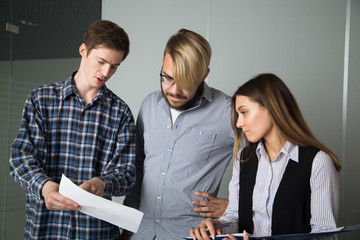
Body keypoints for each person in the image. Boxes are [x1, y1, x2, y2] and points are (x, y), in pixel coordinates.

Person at [9, 20, 136, 239]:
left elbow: (127, 174)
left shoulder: (121, 113)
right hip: (45, 230)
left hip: (96, 233)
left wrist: (103, 184)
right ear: (83, 50)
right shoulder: (41, 100)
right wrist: (45, 187)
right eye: (102, 61)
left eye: (114, 66)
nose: (106, 72)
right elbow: (20, 158)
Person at [190, 73, 341, 240]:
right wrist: (217, 226)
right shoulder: (243, 158)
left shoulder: (318, 162)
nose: (239, 123)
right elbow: (235, 216)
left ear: (270, 108)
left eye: (244, 112)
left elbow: (325, 236)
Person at [122, 29, 234, 240]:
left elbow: (261, 165)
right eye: (167, 78)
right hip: (141, 232)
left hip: (189, 235)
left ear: (204, 75)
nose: (173, 90)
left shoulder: (228, 112)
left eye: (185, 83)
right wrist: (128, 227)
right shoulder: (149, 106)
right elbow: (137, 166)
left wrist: (235, 206)